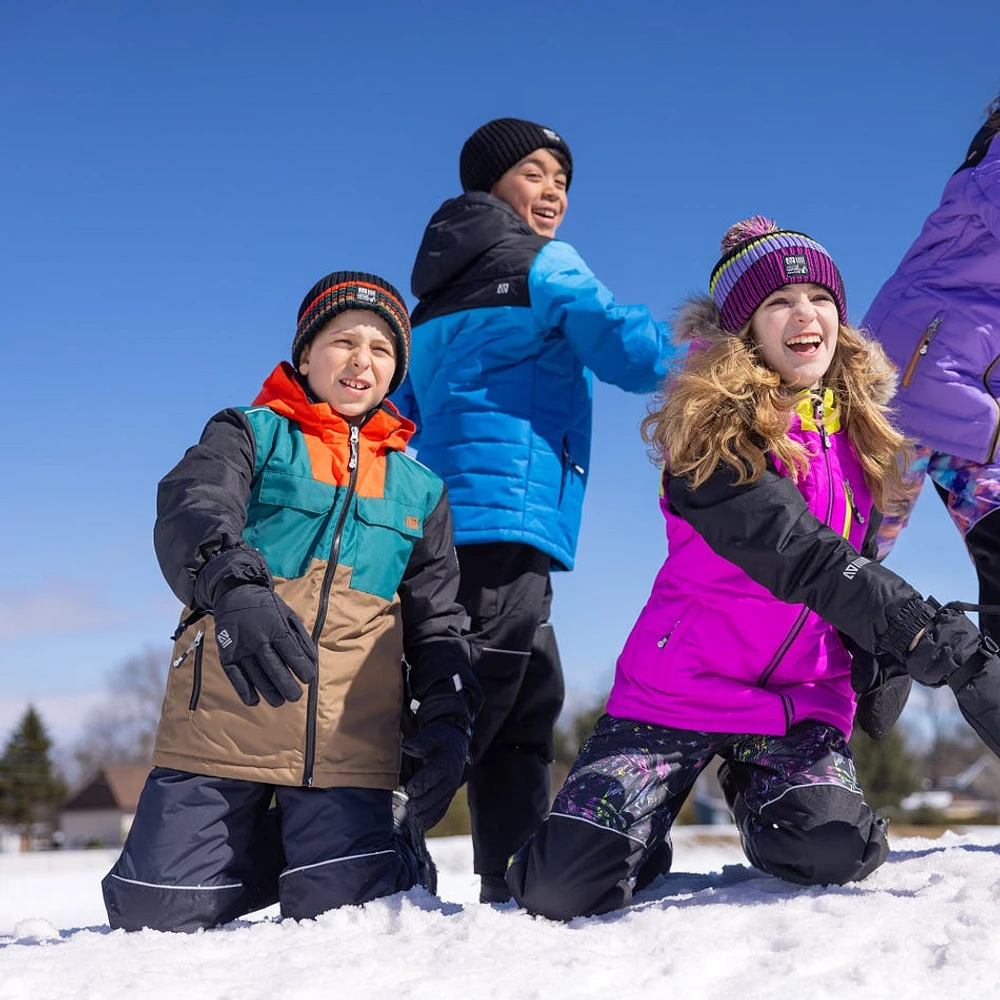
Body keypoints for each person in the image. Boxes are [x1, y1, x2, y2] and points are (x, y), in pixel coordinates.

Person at [505, 217, 1000, 921]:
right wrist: (911, 625)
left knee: (834, 852)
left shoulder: (866, 435)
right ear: (746, 333)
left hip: (797, 703)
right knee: (559, 890)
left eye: (819, 297)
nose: (805, 314)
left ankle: (761, 791)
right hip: (675, 693)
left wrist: (878, 651)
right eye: (778, 302)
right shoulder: (708, 433)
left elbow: (855, 560)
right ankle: (627, 828)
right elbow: (794, 549)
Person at [102, 271, 480, 932]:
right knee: (154, 912)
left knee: (346, 918)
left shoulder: (421, 488)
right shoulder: (248, 432)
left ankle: (379, 841)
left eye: (382, 349)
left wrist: (448, 711)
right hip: (226, 715)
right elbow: (193, 505)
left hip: (348, 740)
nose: (363, 360)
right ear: (305, 355)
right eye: (343, 341)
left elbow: (437, 616)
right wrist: (232, 581)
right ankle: (282, 850)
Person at [391, 117, 677, 903]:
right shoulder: (544, 264)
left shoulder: (432, 297)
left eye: (562, 179)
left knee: (528, 697)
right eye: (535, 172)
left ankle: (509, 867)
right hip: (506, 509)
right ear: (489, 186)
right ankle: (378, 839)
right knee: (480, 690)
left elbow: (398, 408)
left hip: (451, 518)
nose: (552, 191)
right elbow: (627, 348)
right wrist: (713, 352)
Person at [862, 94, 1000, 642]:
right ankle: (818, 674)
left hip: (971, 407)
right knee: (852, 552)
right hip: (910, 382)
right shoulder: (992, 169)